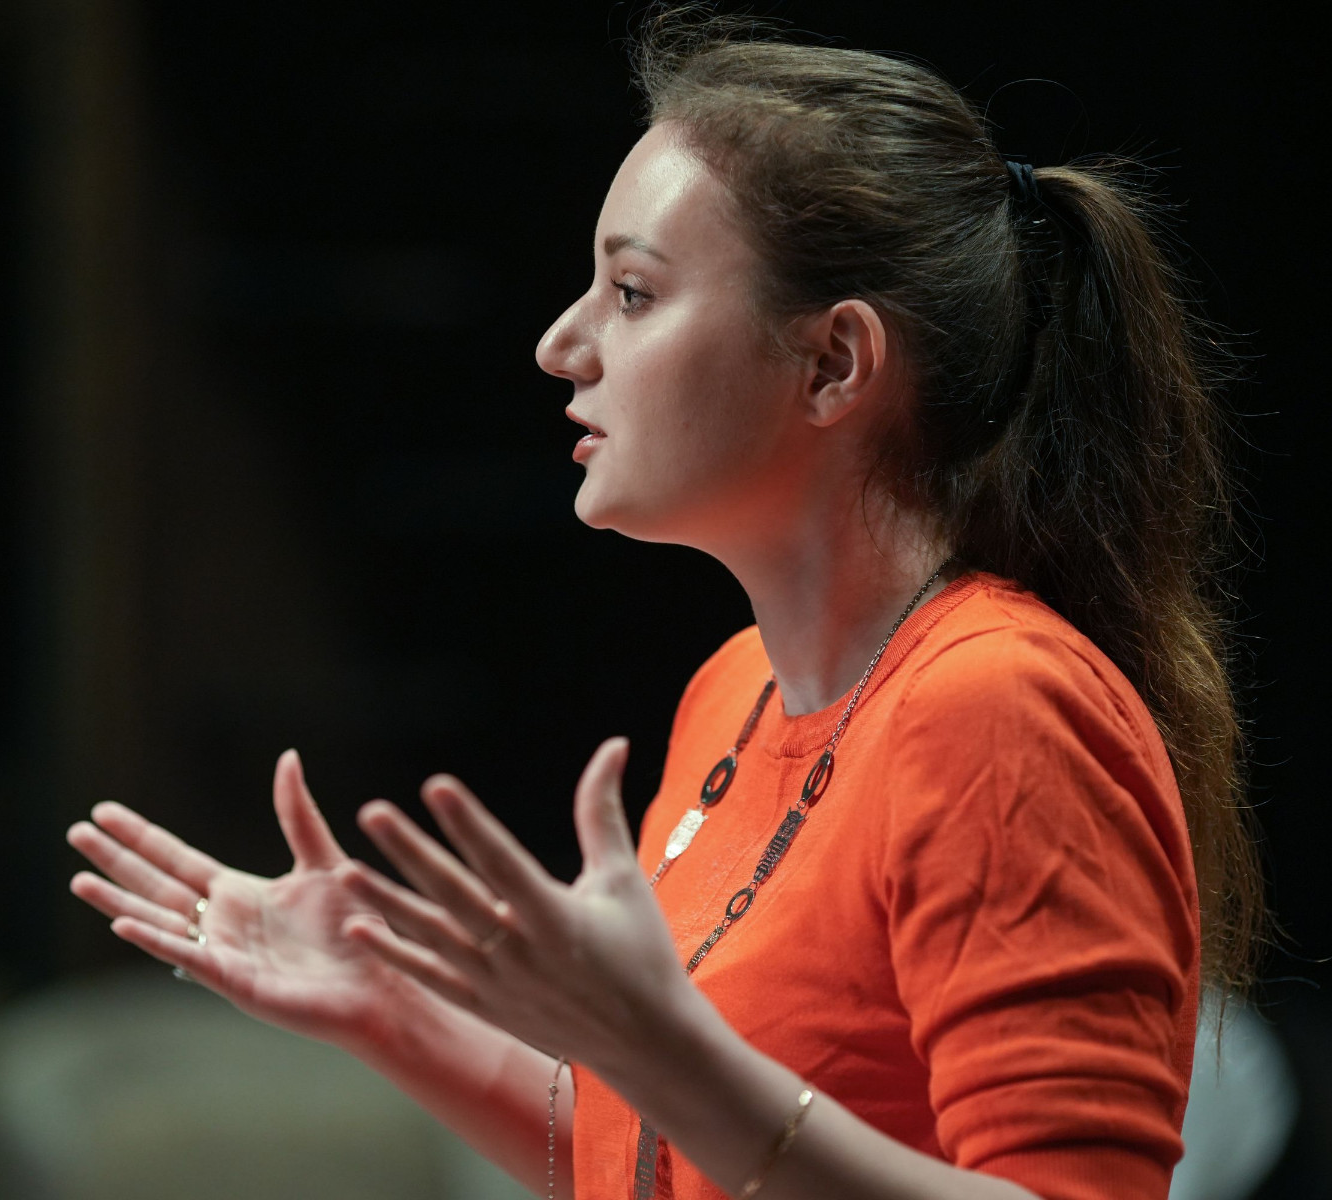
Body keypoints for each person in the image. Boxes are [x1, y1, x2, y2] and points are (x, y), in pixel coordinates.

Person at [64, 16, 1262, 1200]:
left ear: (835, 363)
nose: (561, 344)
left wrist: (665, 1051)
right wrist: (386, 1010)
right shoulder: (736, 689)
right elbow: (649, 1149)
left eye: (632, 293)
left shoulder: (999, 706)